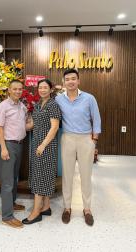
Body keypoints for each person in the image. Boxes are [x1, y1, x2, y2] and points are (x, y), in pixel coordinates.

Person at [55, 68, 101, 226]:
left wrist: (94, 140)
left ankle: (87, 209)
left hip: (85, 139)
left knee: (86, 175)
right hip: (67, 138)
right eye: (67, 79)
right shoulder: (59, 99)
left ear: (78, 81)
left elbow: (97, 119)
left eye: (73, 78)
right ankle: (67, 208)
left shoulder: (89, 98)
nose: (70, 81)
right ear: (64, 82)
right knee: (67, 175)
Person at [22, 79, 61, 225]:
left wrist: (43, 145)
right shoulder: (38, 104)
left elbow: (54, 127)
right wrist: (15, 124)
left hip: (46, 146)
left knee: (41, 176)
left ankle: (36, 212)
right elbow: (32, 124)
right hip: (37, 144)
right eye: (40, 87)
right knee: (41, 174)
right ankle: (46, 207)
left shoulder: (53, 105)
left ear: (51, 90)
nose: (42, 90)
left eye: (45, 87)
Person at [0, 80, 27, 229]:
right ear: (9, 90)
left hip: (19, 145)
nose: (17, 91)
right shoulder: (4, 106)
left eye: (20, 89)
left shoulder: (22, 106)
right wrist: (3, 148)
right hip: (8, 145)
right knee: (8, 181)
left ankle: (12, 204)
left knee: (14, 177)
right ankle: (7, 216)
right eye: (14, 89)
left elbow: (24, 125)